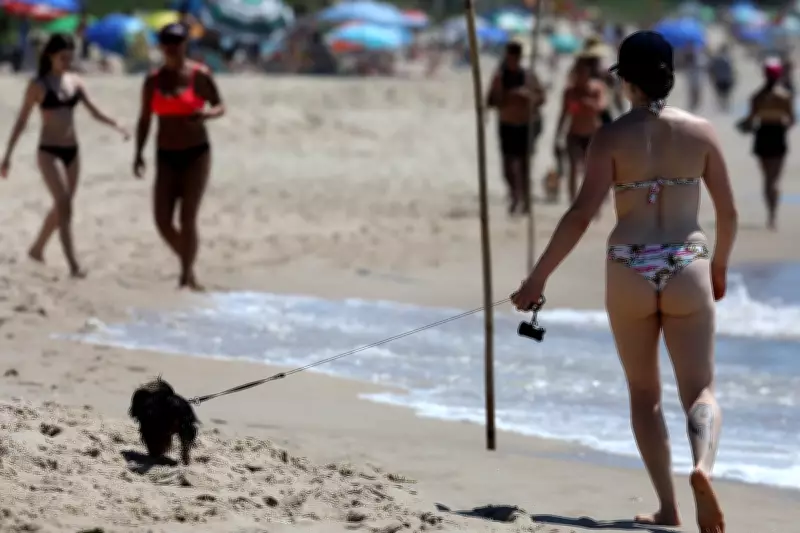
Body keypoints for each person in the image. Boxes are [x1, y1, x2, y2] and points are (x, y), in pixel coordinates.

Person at [512, 31, 736, 533]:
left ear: (626, 81)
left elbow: (579, 214)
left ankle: (670, 507)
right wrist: (718, 266)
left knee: (643, 393)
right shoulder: (701, 132)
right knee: (700, 389)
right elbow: (729, 211)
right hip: (687, 260)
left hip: (628, 266)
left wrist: (537, 278)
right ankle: (702, 466)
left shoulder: (609, 138)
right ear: (671, 75)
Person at [0, 33, 128, 277]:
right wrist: (7, 156)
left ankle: (37, 249)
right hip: (49, 152)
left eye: (70, 57)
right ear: (50, 56)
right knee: (64, 203)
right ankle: (74, 265)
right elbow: (21, 121)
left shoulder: (75, 82)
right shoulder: (38, 85)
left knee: (63, 207)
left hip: (72, 151)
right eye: (63, 57)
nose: (67, 62)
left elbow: (94, 111)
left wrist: (116, 124)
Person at [133, 23, 225, 290]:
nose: (173, 49)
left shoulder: (199, 75)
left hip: (196, 154)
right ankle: (189, 264)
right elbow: (145, 118)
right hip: (165, 155)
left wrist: (207, 114)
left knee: (187, 218)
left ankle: (185, 276)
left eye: (178, 43)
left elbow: (220, 105)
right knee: (162, 221)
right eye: (168, 44)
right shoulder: (153, 80)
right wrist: (138, 152)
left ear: (185, 44)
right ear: (162, 47)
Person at [486, 41, 546, 215]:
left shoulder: (529, 75)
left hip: (526, 124)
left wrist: (529, 97)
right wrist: (504, 96)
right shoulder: (500, 77)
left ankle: (526, 199)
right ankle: (514, 194)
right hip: (507, 124)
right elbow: (490, 101)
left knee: (525, 164)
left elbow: (542, 98)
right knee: (508, 165)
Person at [738, 57, 793, 230]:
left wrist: (745, 125)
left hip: (762, 135)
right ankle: (772, 215)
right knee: (774, 179)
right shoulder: (784, 96)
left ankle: (770, 213)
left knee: (767, 178)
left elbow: (750, 120)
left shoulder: (756, 97)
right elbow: (791, 120)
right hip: (778, 135)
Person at [555, 56, 606, 202]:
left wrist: (588, 104)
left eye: (583, 74)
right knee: (573, 167)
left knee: (591, 170)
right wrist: (557, 135)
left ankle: (592, 199)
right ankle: (573, 200)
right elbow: (563, 114)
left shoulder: (596, 89)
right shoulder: (570, 92)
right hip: (574, 134)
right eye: (578, 74)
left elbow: (601, 107)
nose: (580, 77)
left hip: (592, 135)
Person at [707, 44, 735, 112]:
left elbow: (711, 69)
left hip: (720, 79)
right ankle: (724, 105)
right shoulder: (727, 59)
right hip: (724, 78)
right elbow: (731, 70)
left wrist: (712, 77)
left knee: (722, 94)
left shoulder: (717, 59)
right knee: (725, 94)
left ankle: (723, 105)